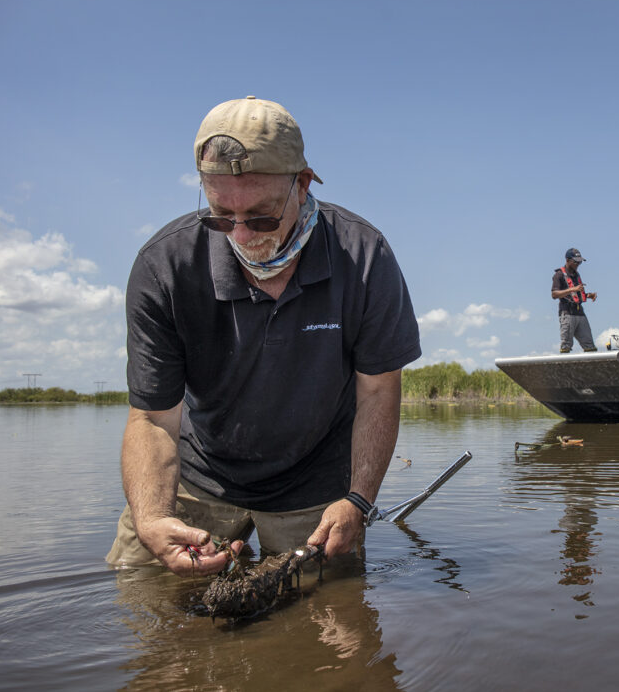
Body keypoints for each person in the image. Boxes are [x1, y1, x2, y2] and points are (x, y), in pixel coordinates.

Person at [106, 96, 421, 577]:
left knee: (331, 617)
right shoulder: (163, 266)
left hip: (317, 484)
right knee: (143, 596)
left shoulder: (364, 256)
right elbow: (152, 418)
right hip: (199, 473)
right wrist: (152, 518)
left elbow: (378, 391)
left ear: (302, 184)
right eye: (219, 215)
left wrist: (357, 499)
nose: (241, 234)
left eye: (261, 215)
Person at [551, 248, 598, 353]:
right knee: (566, 345)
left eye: (580, 261)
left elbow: (575, 294)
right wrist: (573, 289)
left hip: (580, 313)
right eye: (575, 261)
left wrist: (588, 295)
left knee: (589, 345)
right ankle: (564, 367)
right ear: (568, 260)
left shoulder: (576, 275)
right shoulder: (558, 275)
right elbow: (554, 294)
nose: (578, 264)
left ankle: (591, 368)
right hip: (567, 313)